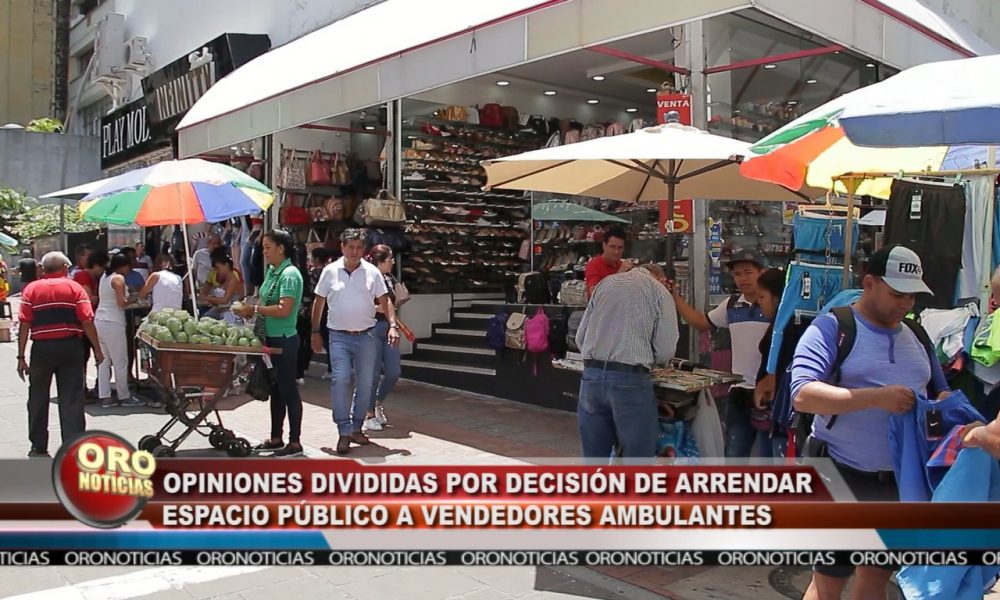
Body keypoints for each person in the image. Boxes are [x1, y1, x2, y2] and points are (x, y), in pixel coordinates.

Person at [791, 245, 949, 600]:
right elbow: (802, 394)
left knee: (877, 578)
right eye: (897, 294)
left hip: (898, 482)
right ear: (869, 284)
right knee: (828, 582)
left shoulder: (918, 336)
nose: (906, 304)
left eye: (912, 296)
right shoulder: (834, 327)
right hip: (839, 474)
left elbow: (940, 393)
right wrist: (874, 398)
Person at [671, 250, 769, 457]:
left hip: (768, 392)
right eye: (737, 274)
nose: (742, 278)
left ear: (762, 273)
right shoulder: (732, 304)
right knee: (734, 453)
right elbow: (701, 322)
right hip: (739, 390)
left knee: (768, 457)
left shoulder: (775, 305)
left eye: (748, 272)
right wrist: (675, 297)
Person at [575, 264, 679, 458]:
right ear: (661, 278)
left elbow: (580, 338)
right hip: (629, 381)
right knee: (637, 458)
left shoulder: (605, 284)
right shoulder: (658, 291)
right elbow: (665, 350)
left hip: (591, 377)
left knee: (593, 458)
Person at [311, 228, 399, 455]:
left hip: (367, 335)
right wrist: (314, 331)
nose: (355, 251)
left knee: (366, 382)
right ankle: (343, 430)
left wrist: (392, 325)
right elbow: (319, 302)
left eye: (359, 247)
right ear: (342, 247)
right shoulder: (330, 271)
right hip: (338, 335)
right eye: (350, 247)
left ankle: (356, 426)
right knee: (340, 378)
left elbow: (386, 300)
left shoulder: (372, 273)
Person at [16, 251, 103, 457]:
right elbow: (87, 320)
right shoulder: (74, 288)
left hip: (41, 350)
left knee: (37, 396)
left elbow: (24, 324)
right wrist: (97, 349)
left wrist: (21, 357)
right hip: (70, 347)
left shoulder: (31, 290)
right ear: (65, 268)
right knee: (72, 397)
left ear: (43, 269)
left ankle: (38, 445)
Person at [234, 230, 304, 457]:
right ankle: (276, 438)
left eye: (267, 247)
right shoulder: (273, 271)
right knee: (276, 390)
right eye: (263, 247)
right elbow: (266, 301)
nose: (263, 252)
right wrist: (251, 311)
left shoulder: (290, 274)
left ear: (281, 248)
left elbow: (284, 309)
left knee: (288, 390)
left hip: (284, 340)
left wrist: (254, 309)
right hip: (268, 339)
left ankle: (294, 442)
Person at [363, 245, 406, 432]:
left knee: (393, 371)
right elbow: (360, 303)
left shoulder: (389, 278)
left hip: (388, 327)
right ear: (380, 261)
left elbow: (392, 303)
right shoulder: (367, 278)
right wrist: (377, 308)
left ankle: (377, 401)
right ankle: (369, 413)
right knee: (371, 374)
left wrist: (393, 320)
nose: (393, 262)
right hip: (371, 327)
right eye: (390, 259)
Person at [95, 253, 142, 408]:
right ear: (124, 265)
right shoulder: (118, 278)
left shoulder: (105, 277)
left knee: (104, 360)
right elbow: (122, 303)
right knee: (120, 361)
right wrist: (135, 297)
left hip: (100, 320)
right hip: (113, 322)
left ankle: (105, 396)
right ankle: (124, 395)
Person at [752, 268, 786, 458]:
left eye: (762, 297)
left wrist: (770, 381)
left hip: (779, 414)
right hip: (768, 412)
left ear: (778, 297)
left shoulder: (787, 328)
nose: (758, 302)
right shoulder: (776, 326)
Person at [294, 247, 327, 384]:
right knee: (307, 341)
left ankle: (297, 371)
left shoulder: (298, 274)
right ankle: (303, 368)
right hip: (313, 310)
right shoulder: (317, 273)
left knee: (298, 340)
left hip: (298, 310)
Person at [584, 226, 633, 300]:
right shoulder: (594, 265)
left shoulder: (623, 265)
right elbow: (595, 295)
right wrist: (619, 274)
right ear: (604, 245)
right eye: (612, 247)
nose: (616, 251)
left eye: (620, 248)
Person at [199, 251, 243, 322]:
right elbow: (203, 295)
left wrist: (209, 298)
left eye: (218, 268)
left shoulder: (233, 278)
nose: (217, 271)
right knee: (205, 318)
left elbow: (225, 300)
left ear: (226, 265)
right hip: (220, 309)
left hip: (232, 311)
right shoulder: (217, 275)